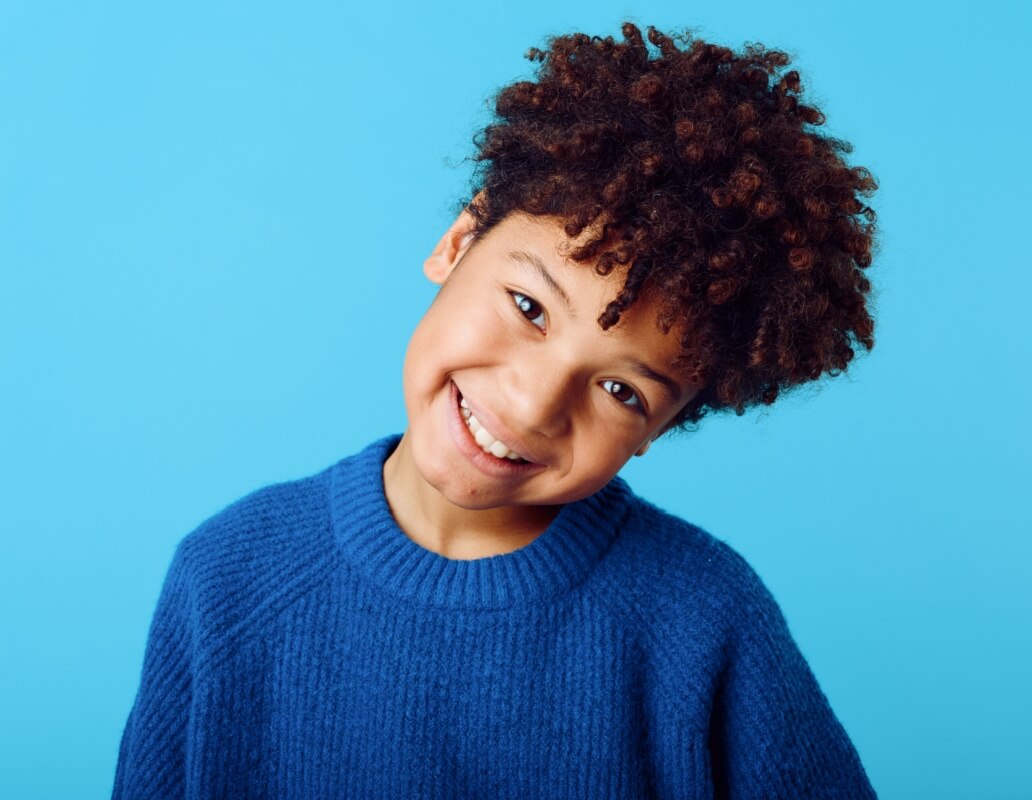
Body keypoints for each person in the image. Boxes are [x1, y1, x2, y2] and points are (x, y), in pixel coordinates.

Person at [113, 21, 880, 799]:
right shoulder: (229, 578)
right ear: (458, 240)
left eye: (623, 391)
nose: (533, 403)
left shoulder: (705, 621)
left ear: (660, 428)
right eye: (528, 306)